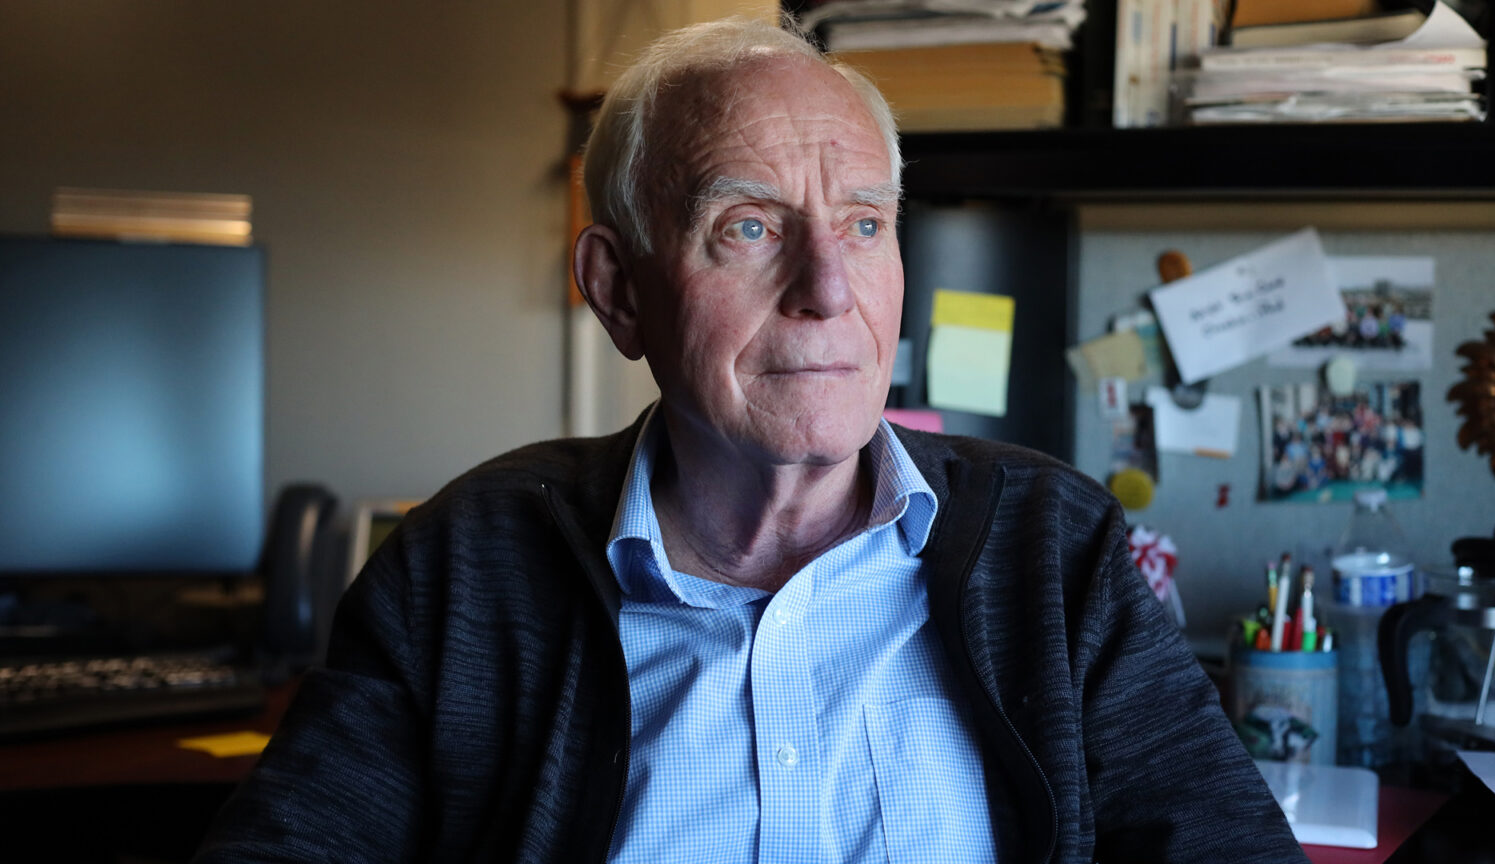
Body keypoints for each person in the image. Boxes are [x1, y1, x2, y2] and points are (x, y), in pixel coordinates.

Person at [195, 18, 1304, 864]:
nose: (829, 290)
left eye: (865, 225)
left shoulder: (1054, 549)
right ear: (619, 293)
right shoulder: (466, 565)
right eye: (750, 227)